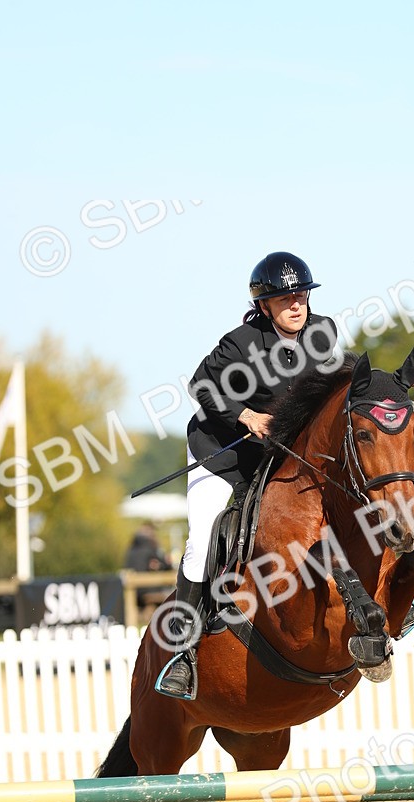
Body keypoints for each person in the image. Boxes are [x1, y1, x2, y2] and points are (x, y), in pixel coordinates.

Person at [157, 252, 338, 700]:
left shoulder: (322, 332)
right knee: (202, 538)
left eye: (301, 295)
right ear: (264, 305)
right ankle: (183, 651)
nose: (297, 305)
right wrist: (244, 415)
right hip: (223, 451)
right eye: (285, 298)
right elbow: (200, 386)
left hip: (278, 455)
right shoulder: (240, 344)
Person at [123, 523, 172, 616]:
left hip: (132, 590)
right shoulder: (150, 549)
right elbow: (165, 566)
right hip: (148, 590)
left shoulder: (131, 550)